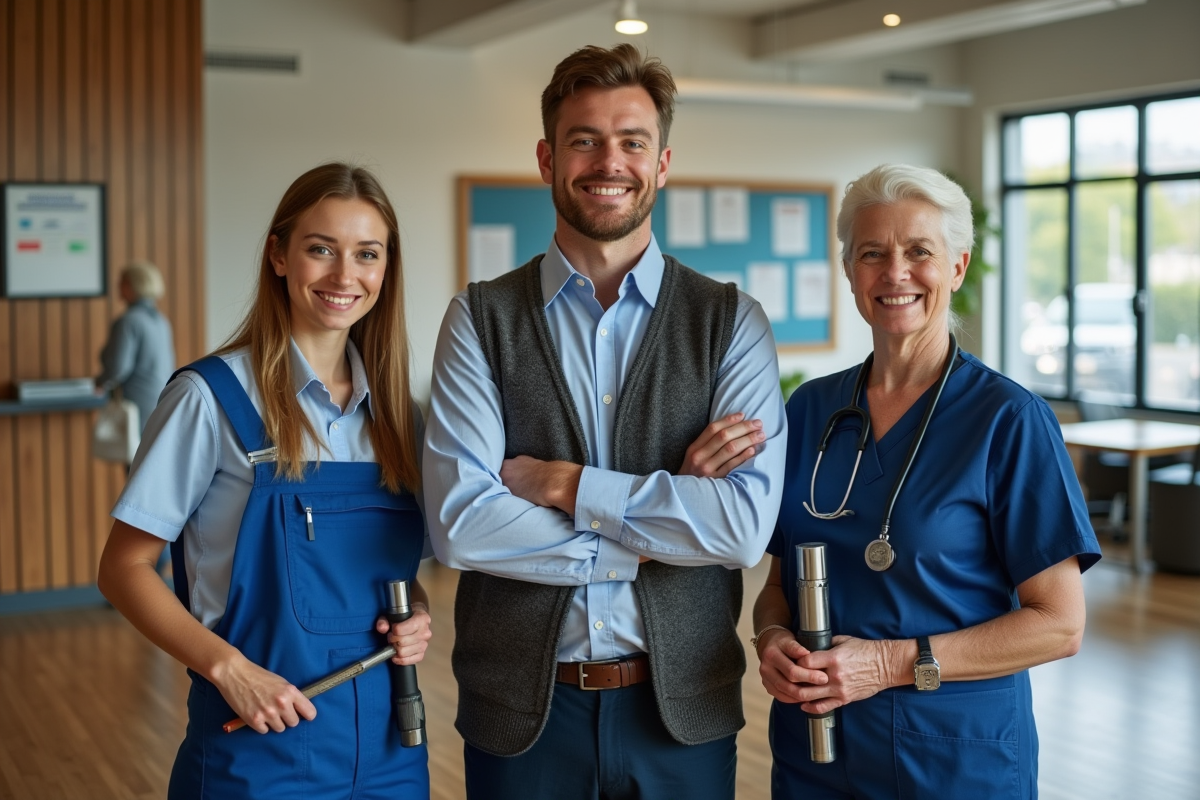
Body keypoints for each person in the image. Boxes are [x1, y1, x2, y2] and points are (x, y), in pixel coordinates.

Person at [423, 44, 787, 800]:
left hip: (681, 712)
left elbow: (742, 530)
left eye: (632, 142)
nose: (607, 160)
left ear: (661, 164)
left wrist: (564, 483)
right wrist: (659, 528)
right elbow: (462, 526)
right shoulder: (479, 319)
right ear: (547, 158)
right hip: (522, 716)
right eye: (584, 139)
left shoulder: (730, 322)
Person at [751, 164, 1102, 799]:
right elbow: (778, 583)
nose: (896, 273)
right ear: (850, 273)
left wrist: (885, 665)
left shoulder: (1009, 419)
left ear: (958, 268)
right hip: (817, 750)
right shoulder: (808, 411)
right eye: (872, 254)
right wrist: (772, 636)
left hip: (953, 757)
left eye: (920, 252)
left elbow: (1059, 624)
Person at [97, 163, 433, 800]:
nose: (345, 276)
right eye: (320, 249)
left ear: (386, 270)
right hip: (257, 749)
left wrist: (415, 614)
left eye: (367, 254)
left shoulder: (396, 416)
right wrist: (229, 669)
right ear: (279, 255)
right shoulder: (210, 398)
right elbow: (124, 568)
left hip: (392, 751)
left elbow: (393, 576)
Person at [96, 260, 176, 434]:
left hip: (137, 403)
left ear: (133, 286)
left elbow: (119, 367)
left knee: (135, 457)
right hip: (162, 398)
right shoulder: (161, 321)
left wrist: (100, 382)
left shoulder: (128, 321)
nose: (118, 286)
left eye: (122, 282)